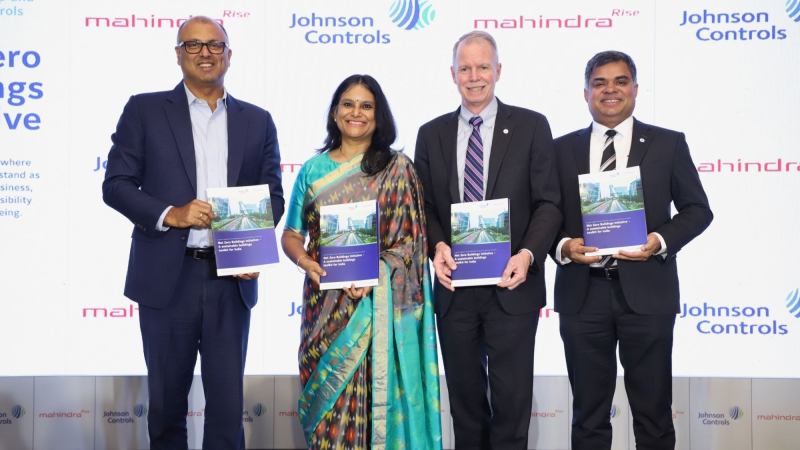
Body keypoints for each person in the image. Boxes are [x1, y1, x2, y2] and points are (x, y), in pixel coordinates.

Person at [102, 16, 284, 450]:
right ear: (178, 53)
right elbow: (116, 185)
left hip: (230, 280)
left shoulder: (258, 120)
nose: (205, 52)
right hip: (167, 278)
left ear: (229, 55)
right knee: (166, 405)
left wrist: (251, 249)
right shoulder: (144, 110)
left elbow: (272, 195)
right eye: (193, 44)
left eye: (215, 45)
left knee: (227, 409)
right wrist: (172, 214)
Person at [551, 50, 713, 450]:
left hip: (648, 292)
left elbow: (697, 210)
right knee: (588, 415)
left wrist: (659, 241)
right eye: (600, 83)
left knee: (654, 413)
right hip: (582, 294)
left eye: (620, 81)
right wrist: (563, 246)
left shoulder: (668, 144)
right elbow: (544, 214)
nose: (610, 90)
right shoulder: (559, 149)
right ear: (586, 92)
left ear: (635, 89)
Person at [414, 31, 562, 449]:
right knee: (465, 407)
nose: (474, 76)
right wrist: (436, 246)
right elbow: (424, 207)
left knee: (512, 407)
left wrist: (527, 255)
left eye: (482, 67)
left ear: (498, 70)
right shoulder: (431, 133)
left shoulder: (532, 126)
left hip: (512, 285)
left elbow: (549, 202)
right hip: (455, 289)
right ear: (452, 74)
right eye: (465, 68)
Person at [281, 74, 441, 450]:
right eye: (348, 104)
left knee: (375, 406)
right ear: (334, 113)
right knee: (326, 413)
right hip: (325, 307)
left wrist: (375, 276)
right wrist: (305, 262)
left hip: (378, 308)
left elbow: (412, 244)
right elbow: (291, 235)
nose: (357, 112)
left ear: (378, 115)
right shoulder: (312, 170)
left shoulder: (398, 169)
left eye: (366, 106)